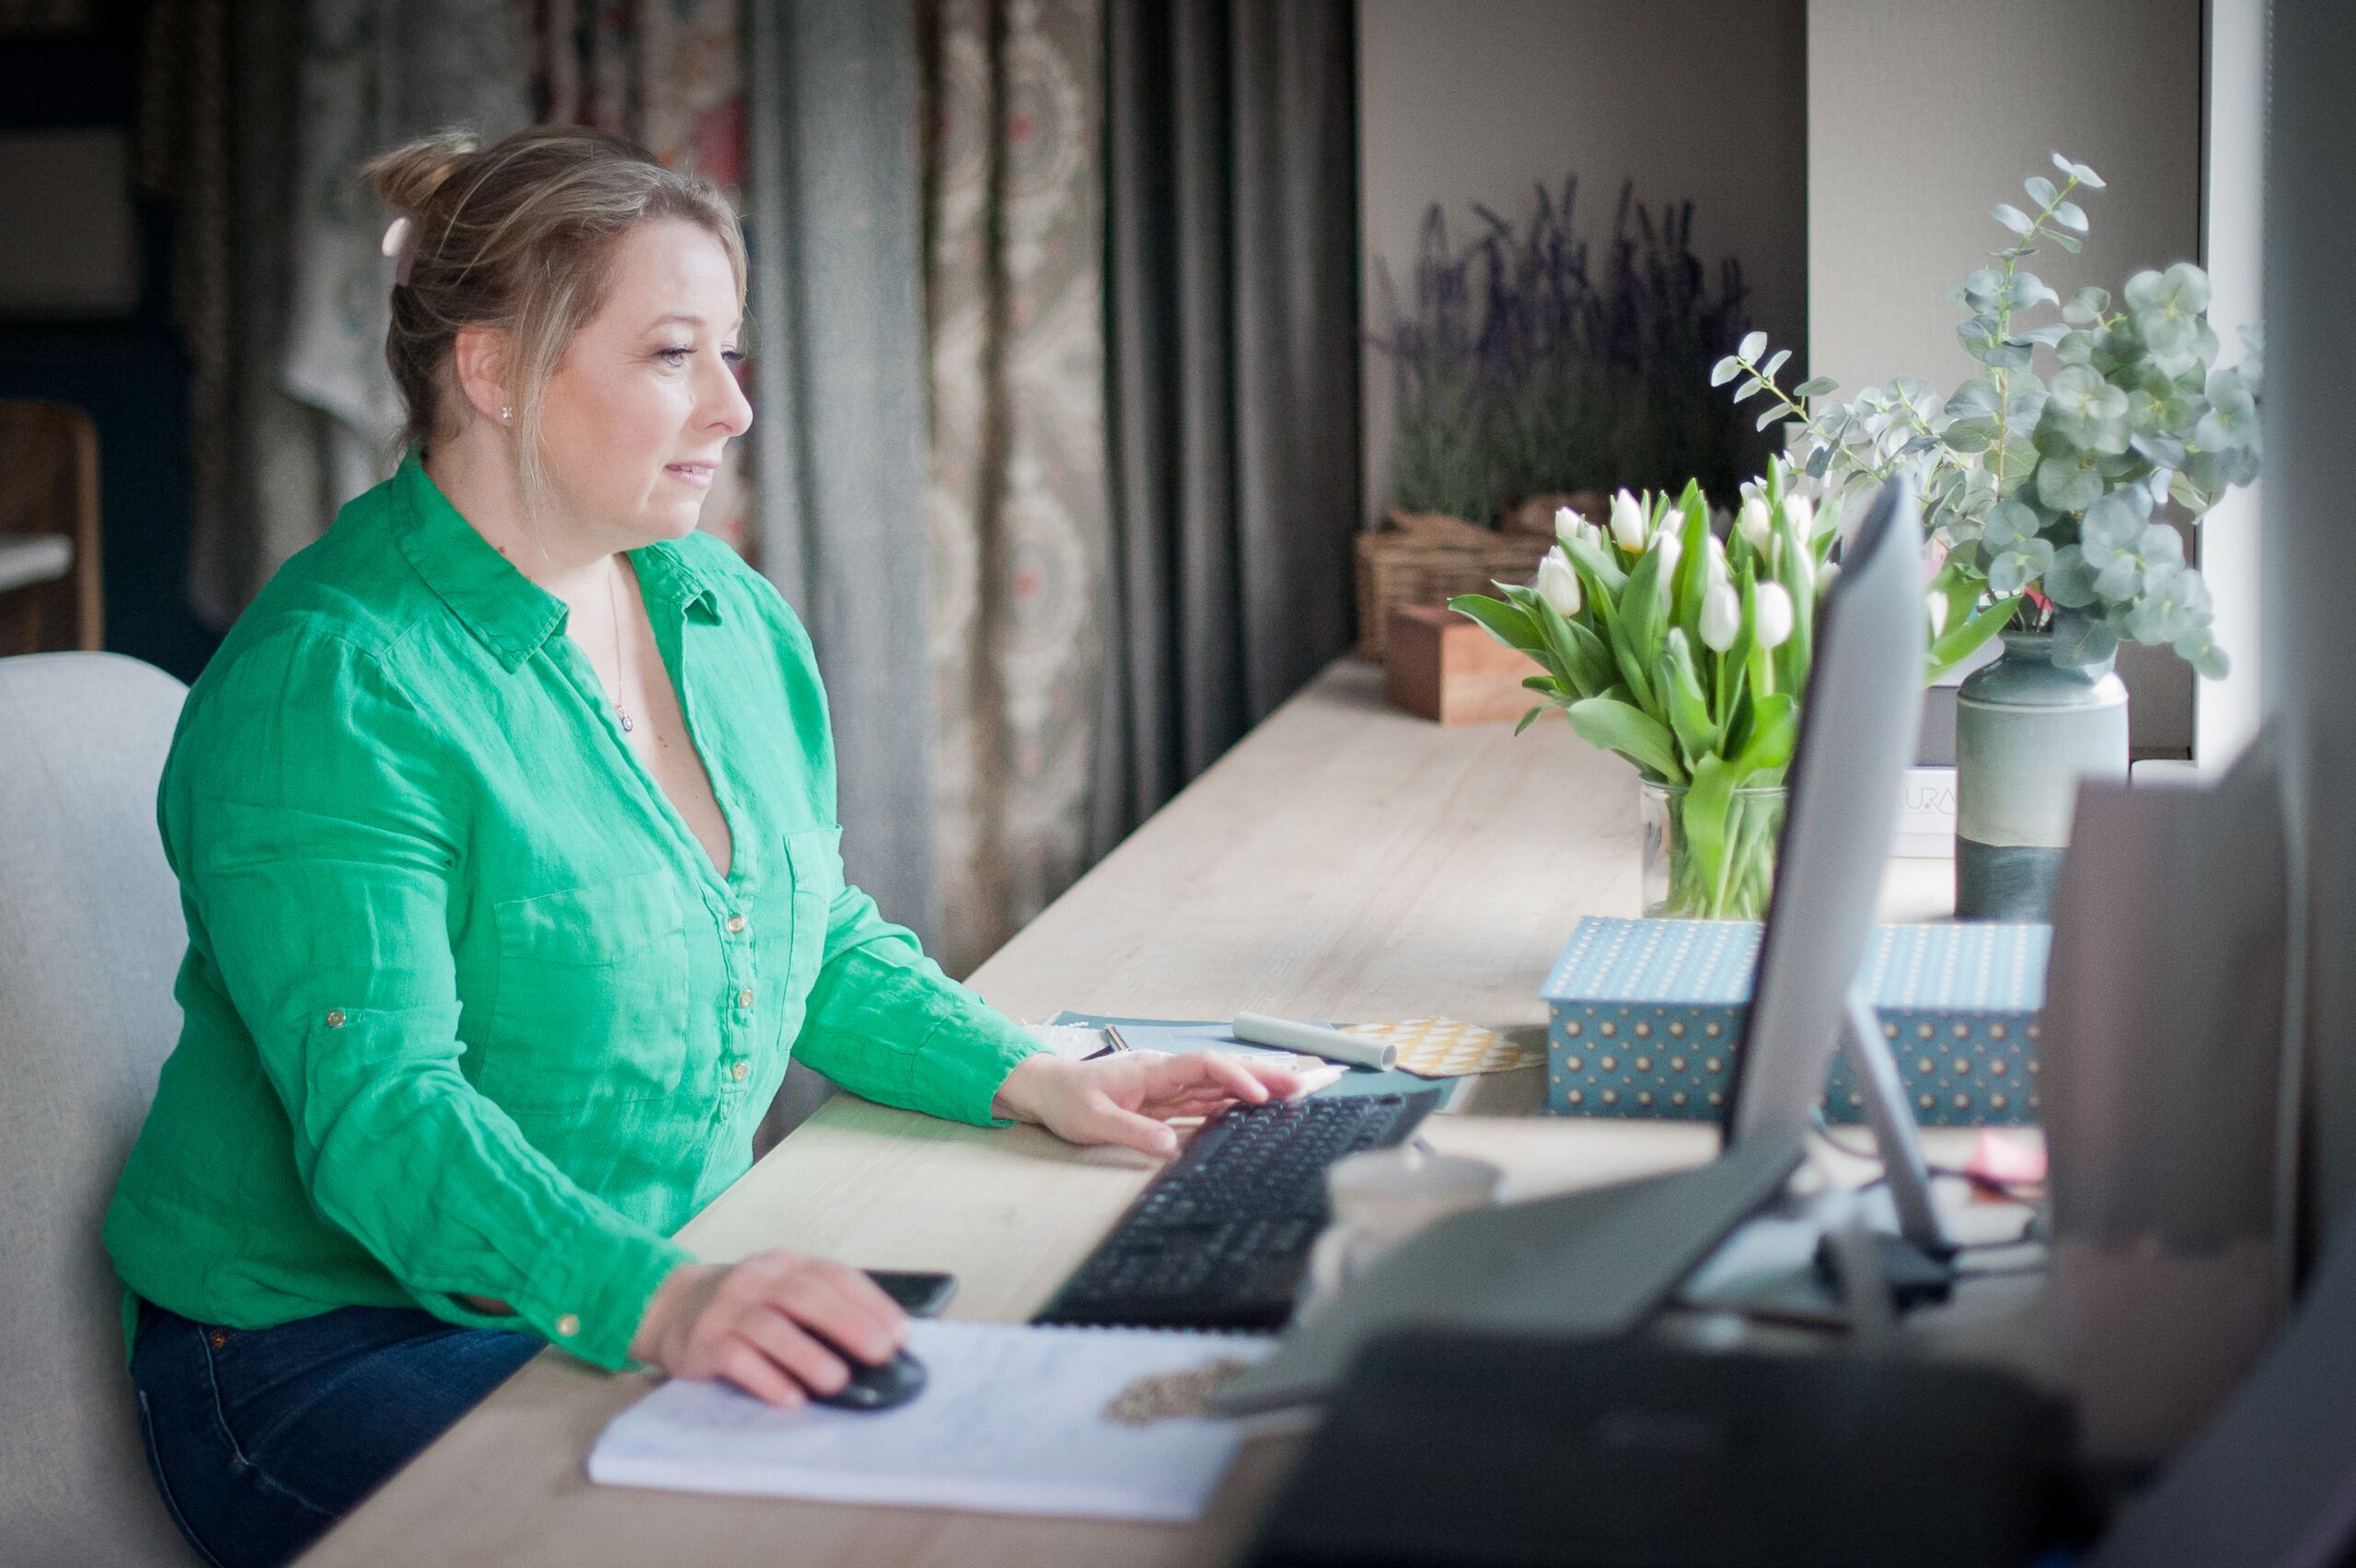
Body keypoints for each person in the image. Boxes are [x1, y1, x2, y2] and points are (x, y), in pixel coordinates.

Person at [102, 125, 1299, 1568]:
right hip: (328, 1350)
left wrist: (1040, 1073)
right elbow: (386, 1117)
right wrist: (666, 1308)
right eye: (675, 355)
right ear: (491, 373)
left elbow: (805, 927)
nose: (733, 409)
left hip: (627, 1279)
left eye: (733, 354)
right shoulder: (338, 685)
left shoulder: (715, 608)